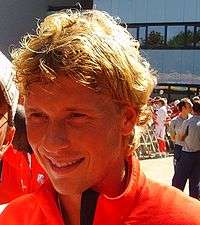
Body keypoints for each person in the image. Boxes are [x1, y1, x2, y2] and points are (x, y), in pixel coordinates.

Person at [1, 9, 200, 225]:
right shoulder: (15, 217)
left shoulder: (186, 218)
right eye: (38, 115)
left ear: (126, 118)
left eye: (76, 116)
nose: (52, 142)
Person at [172, 101, 200, 200]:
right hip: (198, 155)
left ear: (193, 110)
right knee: (195, 182)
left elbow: (180, 138)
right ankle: (195, 204)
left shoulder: (188, 122)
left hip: (187, 154)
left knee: (179, 181)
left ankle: (176, 202)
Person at [169, 98, 193, 171]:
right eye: (190, 106)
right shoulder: (174, 121)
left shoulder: (193, 120)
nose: (192, 108)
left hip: (192, 149)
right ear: (183, 108)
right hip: (179, 149)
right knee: (179, 174)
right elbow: (172, 138)